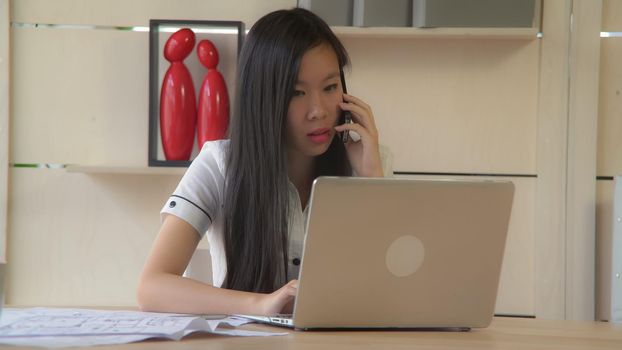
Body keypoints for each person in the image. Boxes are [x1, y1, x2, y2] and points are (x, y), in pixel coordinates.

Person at [137, 7, 385, 316]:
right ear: (263, 98)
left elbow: (394, 287)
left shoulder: (364, 164)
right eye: (297, 92)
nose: (318, 110)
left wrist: (372, 179)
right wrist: (260, 303)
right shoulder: (218, 164)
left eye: (330, 87)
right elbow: (152, 287)